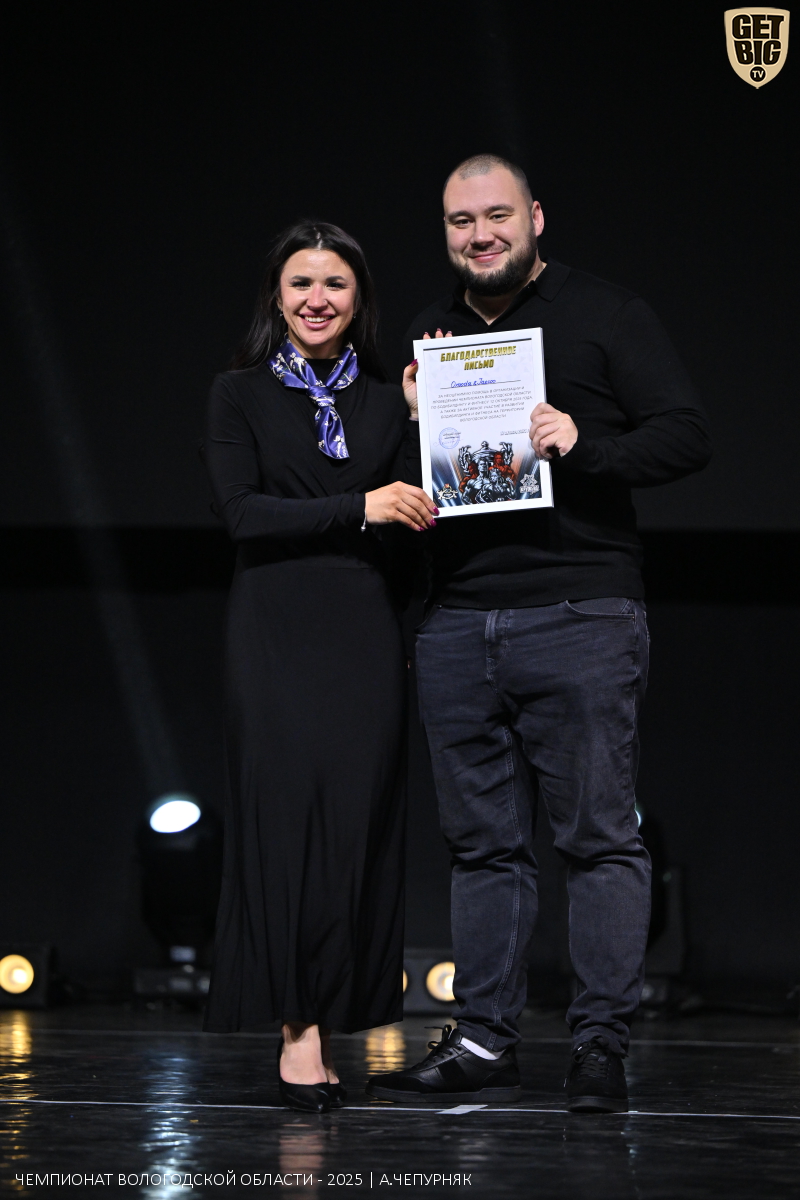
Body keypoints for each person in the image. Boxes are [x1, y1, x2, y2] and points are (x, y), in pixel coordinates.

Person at [366, 155, 711, 1113]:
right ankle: (484, 1041)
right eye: (460, 221)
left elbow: (687, 434)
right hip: (457, 619)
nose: (480, 235)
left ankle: (599, 1046)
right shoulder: (432, 334)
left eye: (497, 216)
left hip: (580, 612)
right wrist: (414, 419)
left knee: (598, 838)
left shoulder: (607, 314)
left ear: (536, 219)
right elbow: (419, 481)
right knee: (481, 847)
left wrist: (582, 445)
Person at [202, 220, 436, 1113]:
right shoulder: (238, 394)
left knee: (352, 837)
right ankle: (296, 1039)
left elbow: (409, 520)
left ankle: (326, 1028)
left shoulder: (381, 400)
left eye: (334, 283)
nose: (316, 299)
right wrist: (357, 507)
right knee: (285, 833)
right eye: (300, 282)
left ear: (357, 296)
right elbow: (242, 513)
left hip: (362, 637)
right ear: (276, 294)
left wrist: (417, 423)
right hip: (275, 633)